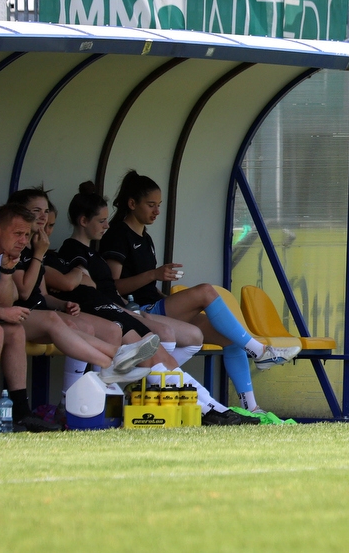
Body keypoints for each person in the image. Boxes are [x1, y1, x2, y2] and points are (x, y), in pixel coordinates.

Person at [55, 182, 258, 426]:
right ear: (83, 220)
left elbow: (103, 289)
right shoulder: (75, 250)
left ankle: (216, 409)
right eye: (101, 221)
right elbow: (73, 285)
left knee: (166, 356)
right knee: (158, 351)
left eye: (159, 205)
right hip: (107, 314)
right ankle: (214, 403)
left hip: (120, 310)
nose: (106, 226)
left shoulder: (95, 253)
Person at [100, 170, 300, 414]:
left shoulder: (146, 237)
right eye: (151, 205)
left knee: (230, 336)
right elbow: (112, 286)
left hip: (154, 305)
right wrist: (154, 274)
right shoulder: (118, 234)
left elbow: (148, 289)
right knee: (206, 291)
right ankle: (260, 352)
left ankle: (251, 406)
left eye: (160, 205)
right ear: (132, 204)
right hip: (137, 313)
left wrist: (165, 294)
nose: (157, 211)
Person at [4, 186, 158, 386]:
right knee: (64, 322)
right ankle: (111, 363)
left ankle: (99, 385)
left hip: (41, 311)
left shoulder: (36, 250)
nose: (43, 216)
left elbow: (41, 294)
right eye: (36, 211)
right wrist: (41, 256)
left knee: (93, 326)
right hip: (21, 315)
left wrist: (62, 303)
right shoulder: (20, 250)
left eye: (46, 211)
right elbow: (26, 291)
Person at [0, 203, 60, 432]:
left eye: (26, 235)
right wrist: (2, 313)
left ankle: (21, 412)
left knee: (14, 330)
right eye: (17, 233)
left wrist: (7, 272)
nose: (23, 240)